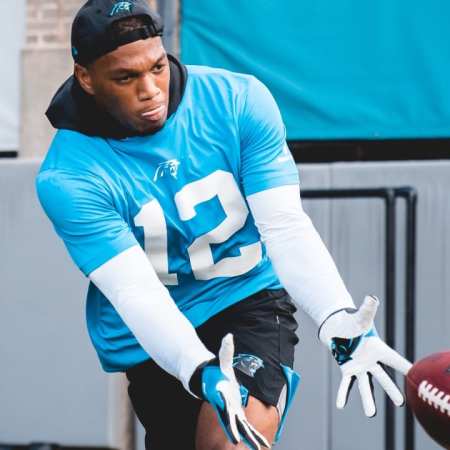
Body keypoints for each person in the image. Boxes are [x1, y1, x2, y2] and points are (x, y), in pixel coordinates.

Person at [36, 1, 412, 449]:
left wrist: (335, 314)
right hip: (157, 328)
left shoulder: (236, 100)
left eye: (157, 67)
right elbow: (134, 289)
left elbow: (284, 225)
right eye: (125, 78)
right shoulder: (68, 175)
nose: (150, 90)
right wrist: (197, 368)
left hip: (245, 298)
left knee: (232, 442)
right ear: (86, 78)